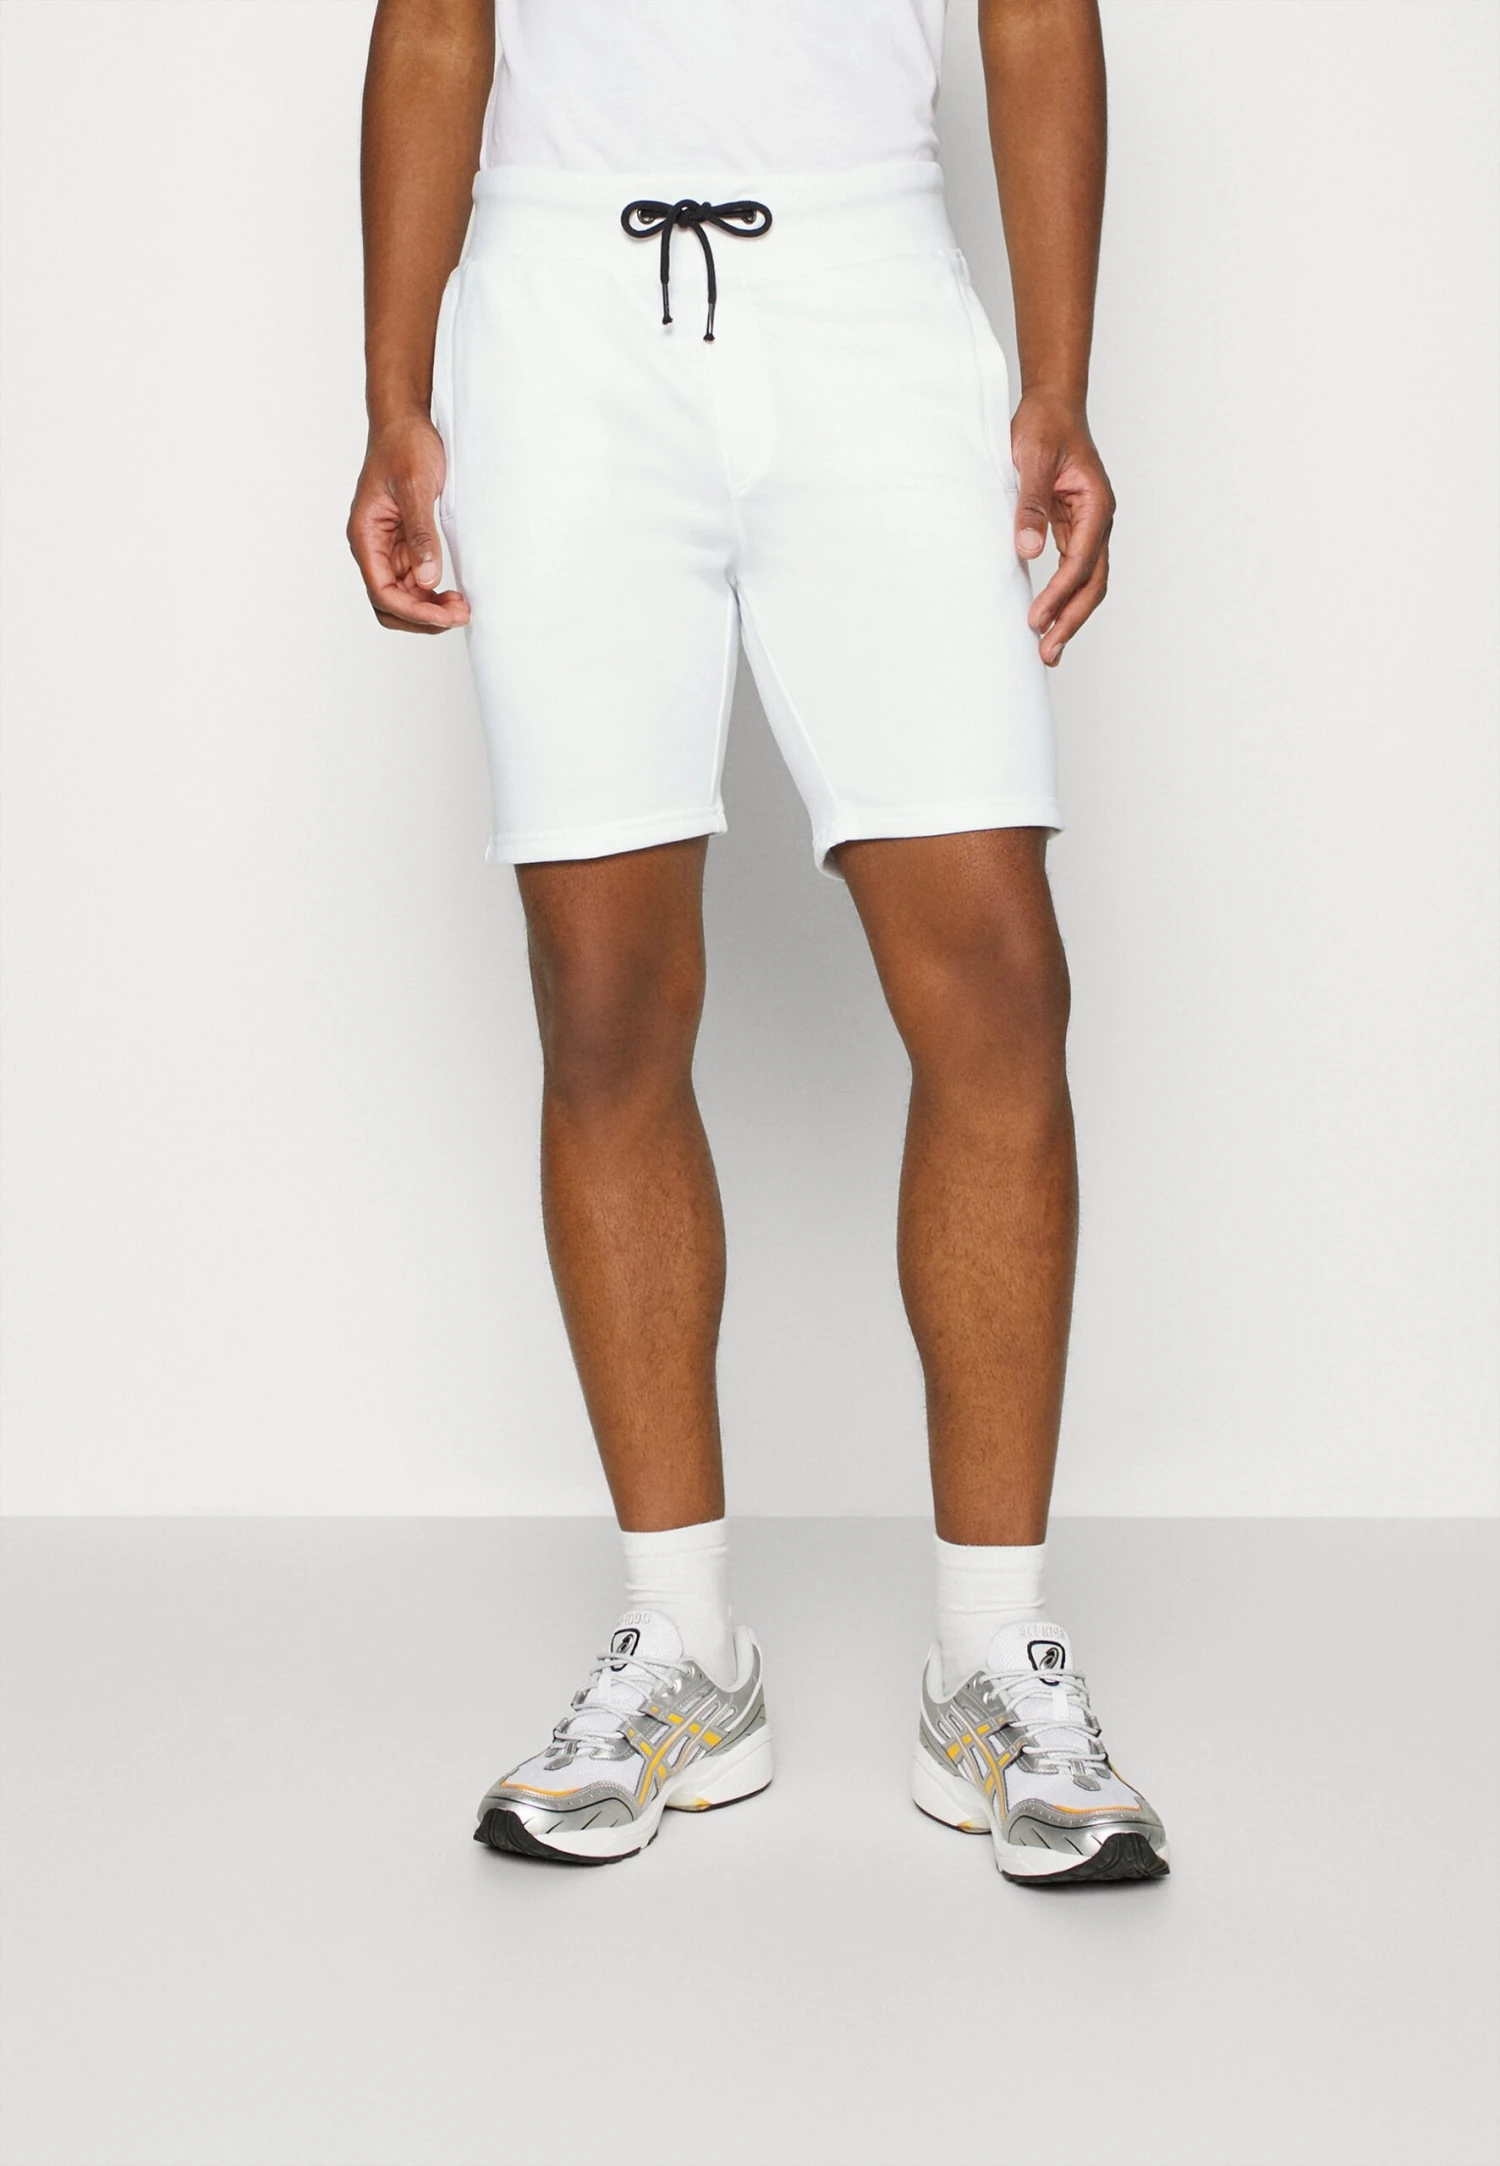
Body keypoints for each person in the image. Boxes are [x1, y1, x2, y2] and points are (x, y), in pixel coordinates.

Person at [348, 0, 1169, 1885]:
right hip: (558, 310)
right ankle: (682, 1647)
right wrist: (395, 387)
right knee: (605, 995)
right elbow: (436, 20)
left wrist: (1059, 375)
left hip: (869, 288)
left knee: (997, 979)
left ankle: (993, 1659)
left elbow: (1037, 13)